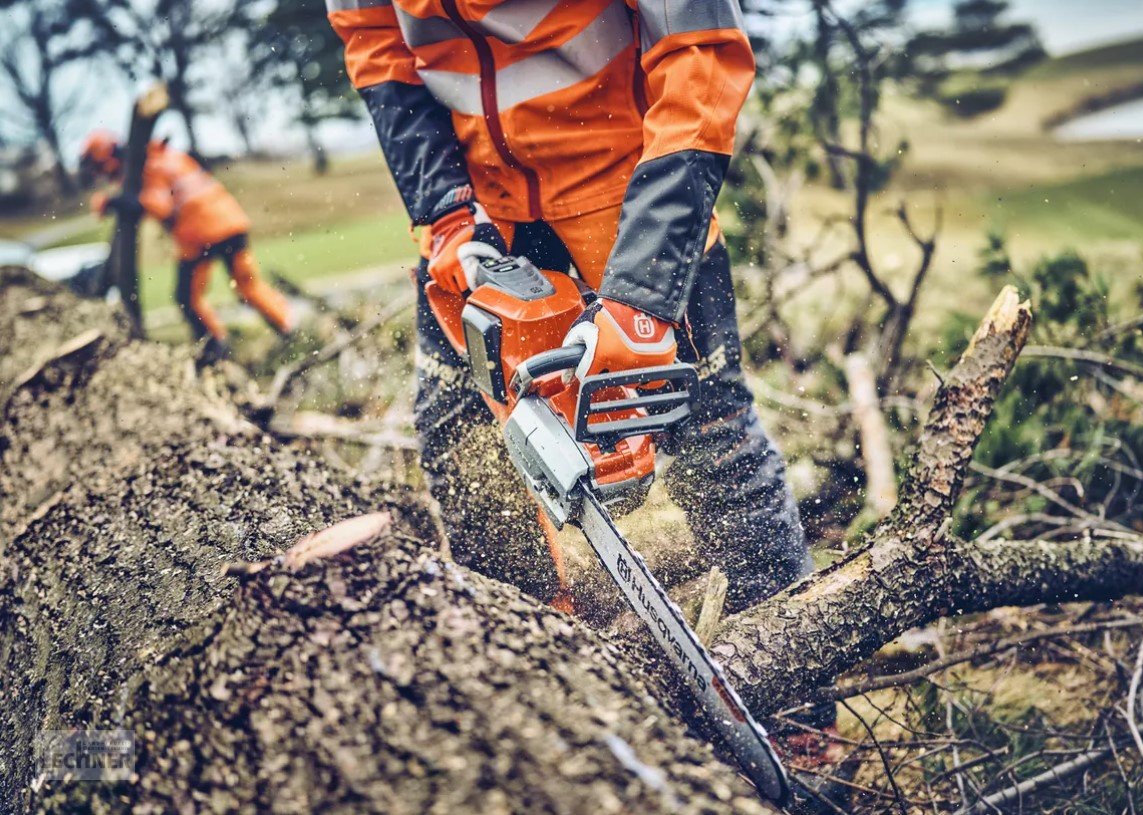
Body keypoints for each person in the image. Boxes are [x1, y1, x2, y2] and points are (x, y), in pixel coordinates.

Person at [327, 0, 845, 791]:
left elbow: (699, 48)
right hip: (482, 214)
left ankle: (802, 731)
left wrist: (643, 292)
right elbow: (376, 45)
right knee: (460, 438)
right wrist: (444, 215)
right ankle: (543, 683)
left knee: (714, 441)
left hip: (633, 196)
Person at [79, 131, 292, 349]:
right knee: (249, 287)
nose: (102, 174)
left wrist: (114, 203)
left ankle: (216, 348)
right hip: (230, 223)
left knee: (187, 298)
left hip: (200, 234)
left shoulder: (149, 167)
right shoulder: (168, 156)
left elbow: (161, 206)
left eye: (99, 167)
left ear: (108, 158)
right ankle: (289, 328)